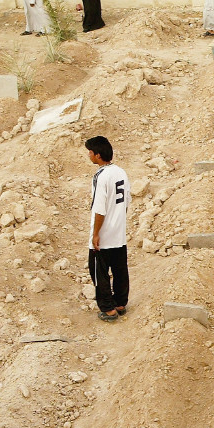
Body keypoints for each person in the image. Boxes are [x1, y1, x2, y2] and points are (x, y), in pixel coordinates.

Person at [85, 136, 131, 322]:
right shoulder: (121, 172)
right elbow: (126, 201)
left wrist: (96, 234)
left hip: (104, 236)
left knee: (99, 272)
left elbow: (99, 208)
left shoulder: (101, 176)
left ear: (98, 155)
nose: (88, 155)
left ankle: (108, 309)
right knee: (120, 270)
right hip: (118, 234)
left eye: (90, 152)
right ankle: (120, 303)